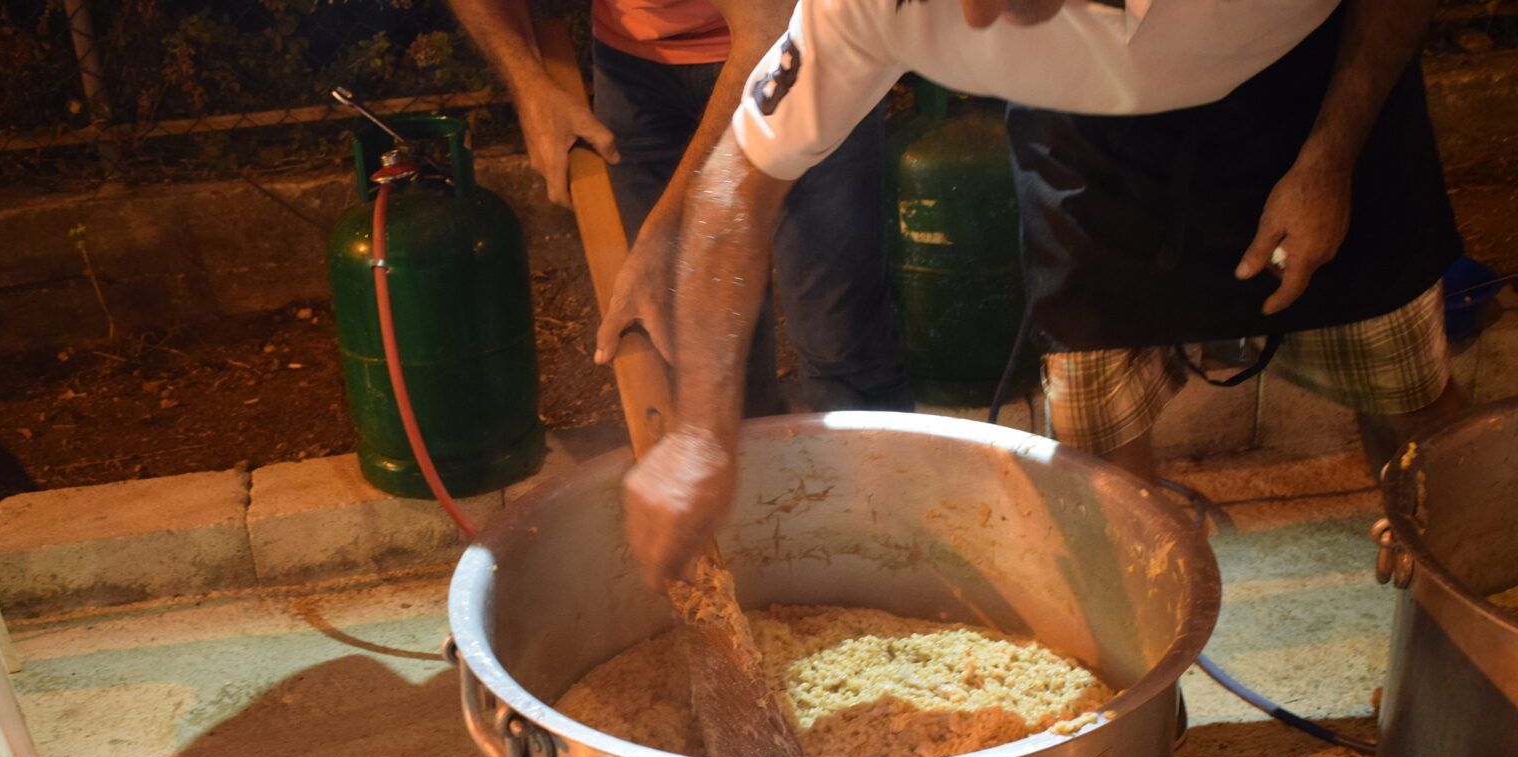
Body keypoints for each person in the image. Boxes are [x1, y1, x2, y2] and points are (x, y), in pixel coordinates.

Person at [623, 0, 1464, 585]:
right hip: (1089, 144)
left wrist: (1333, 156)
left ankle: (1458, 587)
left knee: (1408, 391)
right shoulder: (867, 3)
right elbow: (738, 186)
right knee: (1097, 440)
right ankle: (1141, 685)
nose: (976, 18)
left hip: (1307, 98)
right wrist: (701, 433)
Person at [444, 0, 909, 415]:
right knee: (708, 356)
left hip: (805, 43)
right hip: (634, 65)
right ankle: (751, 480)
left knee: (840, 343)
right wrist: (530, 88)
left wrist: (664, 232)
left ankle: (877, 478)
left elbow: (766, 32)